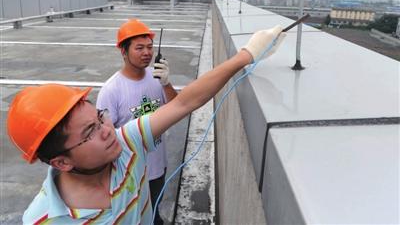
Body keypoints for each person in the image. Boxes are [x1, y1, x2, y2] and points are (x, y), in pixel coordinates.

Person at [7, 26, 285, 224]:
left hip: (156, 170)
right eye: (90, 132)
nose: (107, 130)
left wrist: (247, 54)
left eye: (99, 117)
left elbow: (184, 103)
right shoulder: (44, 219)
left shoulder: (126, 143)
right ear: (61, 163)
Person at [96, 19, 177, 224]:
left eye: (149, 47)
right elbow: (102, 138)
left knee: (154, 210)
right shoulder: (111, 90)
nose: (147, 53)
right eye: (139, 48)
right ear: (124, 52)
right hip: (130, 174)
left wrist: (167, 84)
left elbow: (176, 108)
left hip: (158, 166)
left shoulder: (156, 77)